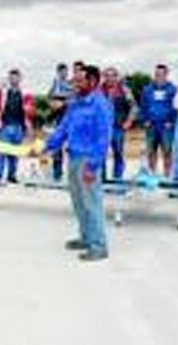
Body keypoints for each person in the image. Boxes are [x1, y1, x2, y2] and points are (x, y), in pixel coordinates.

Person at [42, 65, 113, 261]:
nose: (76, 84)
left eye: (80, 80)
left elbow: (103, 138)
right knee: (79, 202)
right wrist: (47, 147)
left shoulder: (100, 105)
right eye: (75, 80)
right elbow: (63, 129)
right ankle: (86, 237)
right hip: (73, 157)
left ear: (93, 81)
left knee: (91, 203)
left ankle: (99, 246)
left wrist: (93, 166)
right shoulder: (75, 103)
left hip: (88, 160)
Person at [0, 69, 36, 185]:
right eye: (11, 77)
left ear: (20, 79)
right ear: (9, 79)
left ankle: (11, 175)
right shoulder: (3, 92)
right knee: (1, 151)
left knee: (14, 153)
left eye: (16, 77)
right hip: (5, 126)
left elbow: (31, 110)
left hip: (19, 127)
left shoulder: (25, 93)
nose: (14, 79)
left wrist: (29, 112)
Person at [140, 64, 178, 176]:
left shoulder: (172, 89)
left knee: (167, 151)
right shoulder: (147, 89)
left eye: (161, 74)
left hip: (166, 126)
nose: (158, 76)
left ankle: (167, 175)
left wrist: (171, 121)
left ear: (166, 74)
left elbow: (176, 106)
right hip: (151, 125)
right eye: (156, 74)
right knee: (151, 151)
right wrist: (145, 119)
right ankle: (152, 174)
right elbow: (143, 105)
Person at [100, 67, 138, 180]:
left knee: (118, 153)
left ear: (116, 77)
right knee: (101, 154)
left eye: (112, 76)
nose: (110, 78)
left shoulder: (124, 90)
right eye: (107, 76)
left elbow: (134, 107)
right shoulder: (99, 90)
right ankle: (101, 178)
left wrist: (129, 121)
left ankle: (117, 178)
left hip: (118, 127)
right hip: (102, 128)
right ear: (104, 77)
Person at [47, 63, 75, 181]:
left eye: (65, 71)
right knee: (57, 148)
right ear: (58, 72)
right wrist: (54, 104)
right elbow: (50, 101)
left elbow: (74, 98)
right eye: (61, 71)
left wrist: (65, 102)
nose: (64, 73)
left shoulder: (71, 85)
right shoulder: (54, 85)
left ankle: (73, 173)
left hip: (71, 120)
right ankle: (57, 173)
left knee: (72, 147)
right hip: (58, 120)